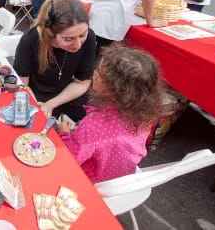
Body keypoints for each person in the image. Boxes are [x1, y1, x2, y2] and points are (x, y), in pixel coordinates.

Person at [57, 46, 164, 183]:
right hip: (122, 178)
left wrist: (64, 133)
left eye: (100, 72)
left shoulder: (95, 124)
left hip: (94, 182)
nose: (94, 72)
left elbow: (71, 157)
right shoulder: (144, 113)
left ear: (112, 87)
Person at [13, 0, 96, 122]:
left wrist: (52, 103)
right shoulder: (30, 40)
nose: (78, 44)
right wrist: (40, 106)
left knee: (94, 124)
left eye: (82, 35)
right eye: (68, 39)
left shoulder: (89, 37)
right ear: (50, 32)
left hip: (70, 92)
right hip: (37, 95)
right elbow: (22, 85)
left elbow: (82, 82)